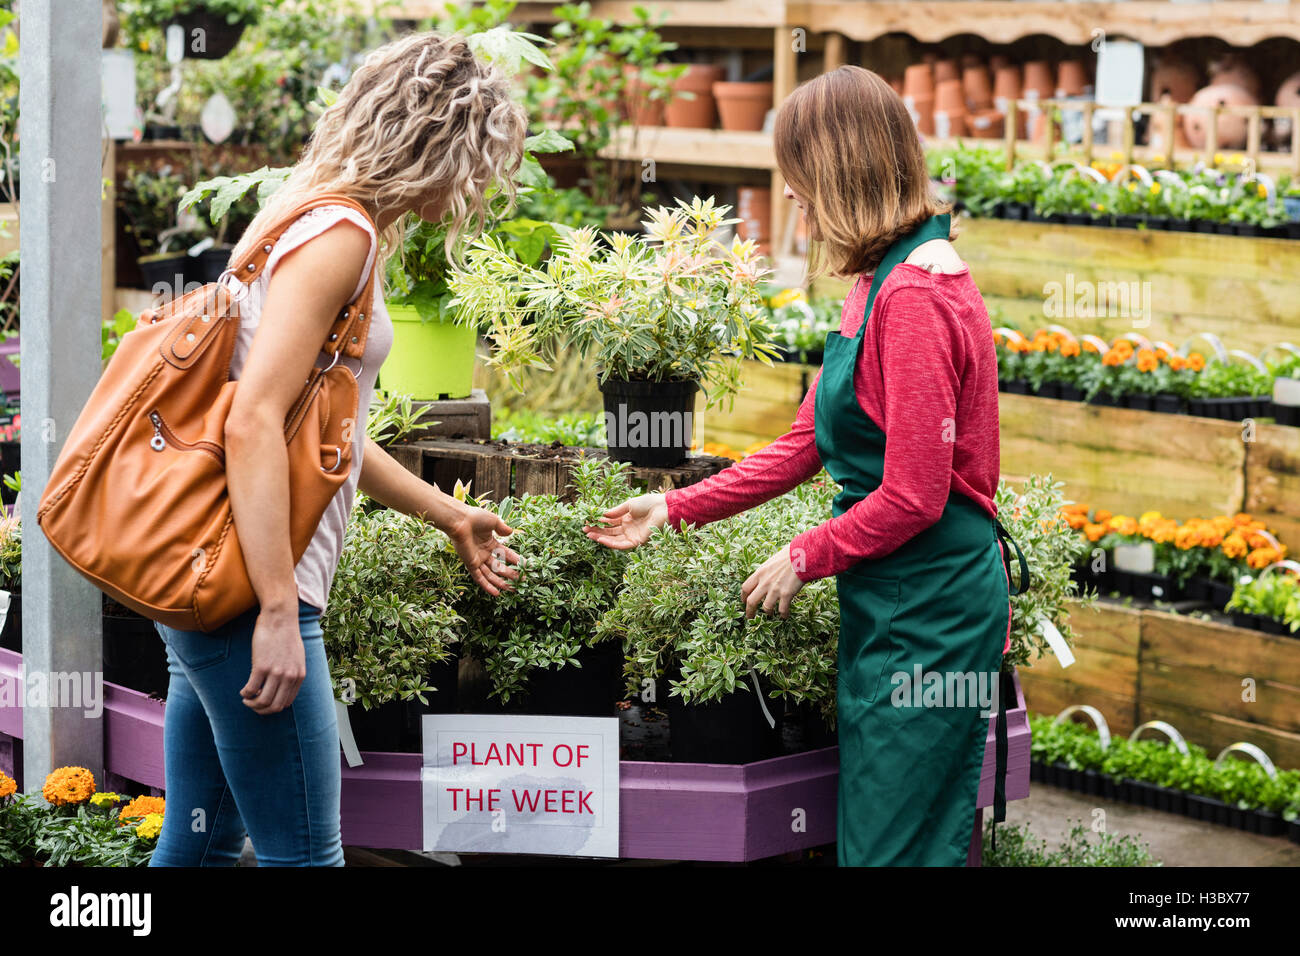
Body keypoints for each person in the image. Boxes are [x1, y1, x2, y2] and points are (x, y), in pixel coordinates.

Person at [586, 66, 1025, 867]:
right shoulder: (876, 280)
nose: (788, 195)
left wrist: (803, 555)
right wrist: (675, 507)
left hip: (930, 608)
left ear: (839, 170)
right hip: (890, 599)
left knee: (898, 849)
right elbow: (803, 445)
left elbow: (917, 494)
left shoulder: (918, 298)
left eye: (797, 175)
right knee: (883, 835)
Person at [149, 33, 526, 867]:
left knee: (202, 846)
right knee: (307, 854)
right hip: (250, 589)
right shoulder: (339, 234)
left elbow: (323, 436)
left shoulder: (312, 211)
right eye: (478, 161)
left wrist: (448, 513)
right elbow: (252, 420)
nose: (477, 188)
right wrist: (280, 614)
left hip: (211, 576)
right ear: (438, 142)